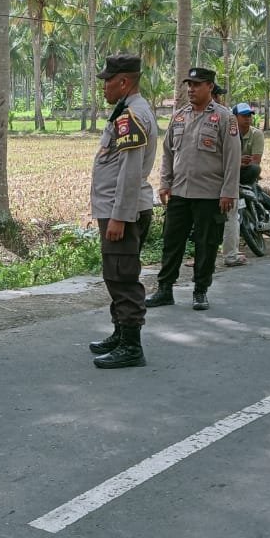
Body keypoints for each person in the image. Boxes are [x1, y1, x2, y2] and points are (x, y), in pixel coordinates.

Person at [147, 66, 241, 311]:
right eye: (189, 84)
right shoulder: (179, 116)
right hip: (179, 192)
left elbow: (232, 158)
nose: (191, 89)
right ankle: (165, 289)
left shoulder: (224, 117)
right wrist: (165, 183)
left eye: (196, 85)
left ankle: (200, 290)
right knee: (172, 242)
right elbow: (167, 153)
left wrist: (228, 192)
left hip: (210, 194)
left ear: (210, 86)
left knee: (206, 244)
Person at [88, 53, 159, 369]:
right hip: (119, 209)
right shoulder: (126, 111)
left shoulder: (132, 115)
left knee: (123, 277)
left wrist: (119, 216)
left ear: (124, 81)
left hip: (123, 212)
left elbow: (130, 172)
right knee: (115, 274)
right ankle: (121, 332)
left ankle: (132, 346)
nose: (104, 87)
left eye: (107, 81)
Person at [222, 102, 270, 267]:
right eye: (244, 116)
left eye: (250, 115)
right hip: (230, 173)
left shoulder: (256, 134)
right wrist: (236, 162)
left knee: (255, 176)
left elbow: (255, 160)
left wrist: (237, 163)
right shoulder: (228, 133)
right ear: (234, 117)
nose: (248, 119)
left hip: (246, 172)